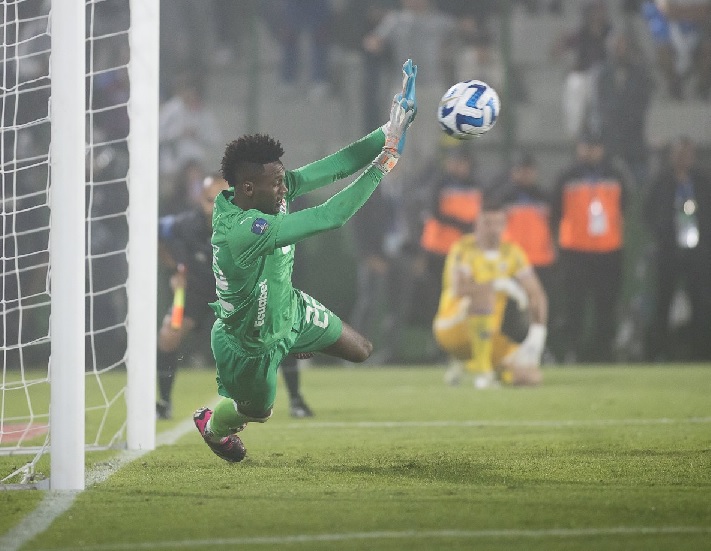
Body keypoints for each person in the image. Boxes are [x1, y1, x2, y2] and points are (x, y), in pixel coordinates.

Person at [192, 60, 418, 462]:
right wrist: (383, 165)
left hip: (289, 310)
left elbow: (337, 165)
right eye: (276, 182)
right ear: (247, 188)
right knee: (257, 412)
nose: (285, 188)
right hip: (251, 341)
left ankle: (290, 344)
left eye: (282, 179)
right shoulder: (241, 229)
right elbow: (328, 217)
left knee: (362, 349)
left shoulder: (265, 192)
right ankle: (212, 425)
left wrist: (390, 129)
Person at [155, 175, 316, 420]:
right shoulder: (185, 224)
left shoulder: (251, 222)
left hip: (240, 292)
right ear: (201, 200)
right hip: (197, 292)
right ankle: (164, 403)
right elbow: (152, 231)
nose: (216, 207)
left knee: (281, 331)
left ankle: (296, 400)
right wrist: (174, 268)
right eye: (210, 201)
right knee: (168, 335)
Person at [433, 195, 549, 389]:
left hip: (488, 335)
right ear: (477, 224)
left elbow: (537, 294)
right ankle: (483, 372)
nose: (493, 228)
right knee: (486, 295)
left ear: (505, 225)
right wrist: (498, 284)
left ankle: (471, 364)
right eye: (487, 223)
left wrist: (537, 337)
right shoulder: (464, 248)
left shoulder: (512, 253)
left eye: (498, 223)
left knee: (531, 377)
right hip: (452, 327)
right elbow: (459, 289)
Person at [550, 128, 631, 364]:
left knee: (606, 304)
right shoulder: (567, 176)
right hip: (575, 251)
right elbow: (555, 212)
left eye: (594, 147)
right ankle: (573, 350)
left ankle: (603, 351)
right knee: (574, 305)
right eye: (586, 146)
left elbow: (624, 206)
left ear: (602, 149)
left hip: (609, 251)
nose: (590, 152)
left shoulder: (616, 174)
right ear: (578, 148)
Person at [643, 136, 711, 361]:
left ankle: (701, 354)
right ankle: (657, 353)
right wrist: (661, 234)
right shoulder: (661, 182)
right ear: (671, 156)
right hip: (669, 252)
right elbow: (648, 213)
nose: (683, 158)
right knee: (664, 302)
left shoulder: (702, 181)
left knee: (700, 303)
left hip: (697, 254)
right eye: (679, 154)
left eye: (687, 154)